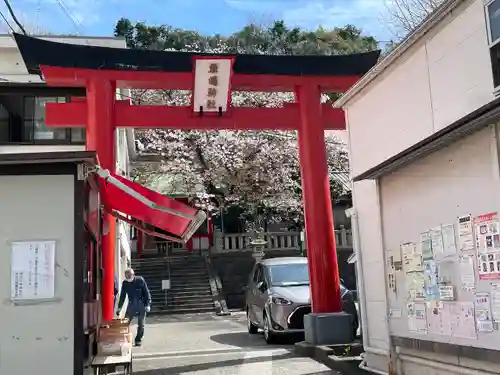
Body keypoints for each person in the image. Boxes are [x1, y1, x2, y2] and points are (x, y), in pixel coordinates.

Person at [116, 268, 152, 346]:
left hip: (141, 304)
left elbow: (146, 292)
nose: (128, 278)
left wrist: (148, 304)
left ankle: (138, 340)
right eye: (127, 277)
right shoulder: (125, 283)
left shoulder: (140, 280)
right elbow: (122, 296)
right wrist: (119, 308)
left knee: (141, 324)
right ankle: (123, 339)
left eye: (129, 276)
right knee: (126, 322)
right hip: (131, 304)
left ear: (133, 274)